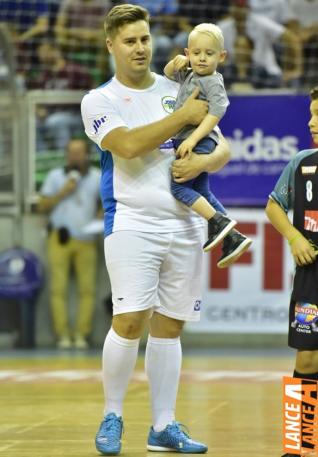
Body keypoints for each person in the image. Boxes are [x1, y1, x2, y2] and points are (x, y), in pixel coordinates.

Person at [81, 3, 231, 455]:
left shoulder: (177, 86)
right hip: (131, 222)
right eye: (130, 41)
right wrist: (182, 118)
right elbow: (127, 146)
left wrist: (205, 160)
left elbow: (222, 147)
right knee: (128, 321)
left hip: (184, 224)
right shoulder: (100, 99)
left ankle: (163, 426)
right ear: (112, 46)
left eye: (145, 39)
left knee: (170, 327)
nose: (140, 48)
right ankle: (113, 416)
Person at [164, 23, 252, 264]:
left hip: (199, 141)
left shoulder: (213, 81)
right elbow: (168, 72)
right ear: (188, 52)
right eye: (196, 53)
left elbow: (216, 113)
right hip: (191, 139)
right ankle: (233, 237)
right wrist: (176, 62)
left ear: (221, 56)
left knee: (179, 187)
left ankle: (219, 222)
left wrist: (192, 139)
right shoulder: (191, 73)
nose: (202, 58)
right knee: (201, 190)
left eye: (209, 53)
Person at [265, 86, 318, 457]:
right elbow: (273, 205)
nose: (312, 123)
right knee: (307, 356)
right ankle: (300, 445)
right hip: (312, 274)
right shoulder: (302, 162)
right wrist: (294, 236)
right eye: (311, 114)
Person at [37, 138, 101, 349]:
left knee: (87, 290)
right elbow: (42, 205)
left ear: (86, 155)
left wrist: (100, 218)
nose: (75, 157)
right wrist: (62, 192)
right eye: (71, 153)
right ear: (66, 155)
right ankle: (62, 334)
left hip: (87, 239)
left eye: (79, 152)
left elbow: (104, 204)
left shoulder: (96, 177)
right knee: (58, 289)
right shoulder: (56, 176)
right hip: (60, 237)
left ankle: (81, 334)